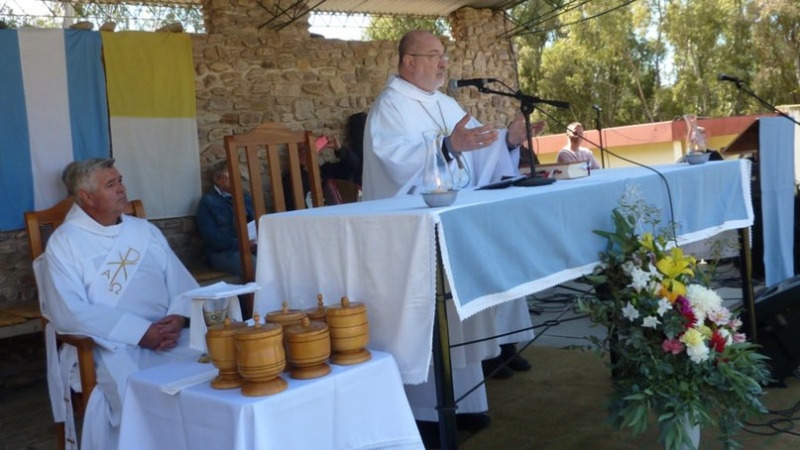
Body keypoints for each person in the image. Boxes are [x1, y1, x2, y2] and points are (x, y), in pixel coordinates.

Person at [362, 29, 534, 437]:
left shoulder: (443, 102)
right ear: (408, 62)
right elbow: (394, 162)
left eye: (444, 55)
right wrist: (445, 147)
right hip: (410, 231)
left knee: (458, 311)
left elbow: (475, 144)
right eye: (434, 55)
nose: (443, 64)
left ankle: (469, 401)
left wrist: (506, 141)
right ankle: (427, 414)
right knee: (432, 314)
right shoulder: (390, 106)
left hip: (449, 219)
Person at [35, 158, 201, 450]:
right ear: (86, 197)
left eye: (120, 180)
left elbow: (181, 283)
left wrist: (177, 316)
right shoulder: (65, 242)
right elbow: (68, 311)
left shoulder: (143, 230)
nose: (122, 189)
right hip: (108, 344)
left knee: (214, 364)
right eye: (111, 185)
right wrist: (139, 333)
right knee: (141, 395)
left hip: (169, 335)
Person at [196, 160, 256, 277]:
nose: (237, 179)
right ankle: (254, 295)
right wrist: (241, 244)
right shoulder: (208, 202)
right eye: (230, 174)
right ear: (217, 179)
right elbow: (212, 237)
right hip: (224, 252)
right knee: (254, 265)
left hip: (251, 247)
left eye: (239, 175)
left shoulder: (246, 199)